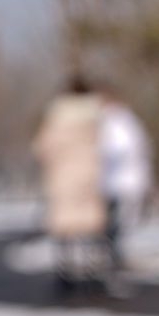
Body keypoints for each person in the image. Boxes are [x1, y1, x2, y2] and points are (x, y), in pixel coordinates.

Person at [33, 74, 106, 294]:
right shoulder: (96, 116)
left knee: (65, 228)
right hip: (89, 176)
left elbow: (41, 148)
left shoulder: (56, 118)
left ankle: (65, 272)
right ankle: (93, 271)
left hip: (63, 176)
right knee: (90, 227)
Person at [98, 87, 153, 284]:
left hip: (118, 181)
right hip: (120, 180)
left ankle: (115, 257)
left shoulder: (115, 121)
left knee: (118, 222)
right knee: (117, 222)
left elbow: (116, 149)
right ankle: (115, 255)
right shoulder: (126, 120)